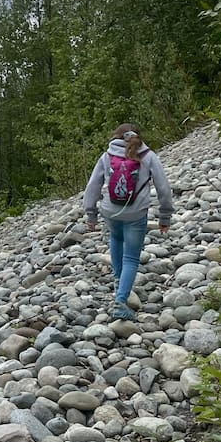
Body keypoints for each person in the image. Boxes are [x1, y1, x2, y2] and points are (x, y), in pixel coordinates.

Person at [82, 123, 173, 320]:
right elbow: (164, 189)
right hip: (136, 213)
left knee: (116, 238)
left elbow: (92, 187)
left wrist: (91, 215)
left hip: (110, 211)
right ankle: (121, 301)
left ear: (115, 137)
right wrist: (165, 216)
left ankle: (119, 282)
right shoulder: (148, 156)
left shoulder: (107, 156)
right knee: (131, 257)